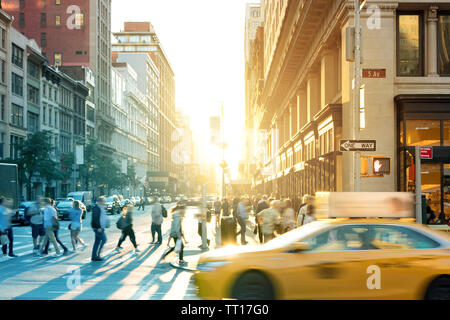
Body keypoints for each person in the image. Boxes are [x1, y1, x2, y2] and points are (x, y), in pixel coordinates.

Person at [91, 196, 110, 262]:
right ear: (100, 202)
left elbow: (103, 217)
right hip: (98, 228)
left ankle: (94, 256)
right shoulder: (97, 208)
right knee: (104, 240)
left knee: (97, 242)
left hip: (100, 227)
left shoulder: (101, 207)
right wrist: (98, 227)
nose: (105, 202)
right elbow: (95, 218)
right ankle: (97, 255)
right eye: (104, 201)